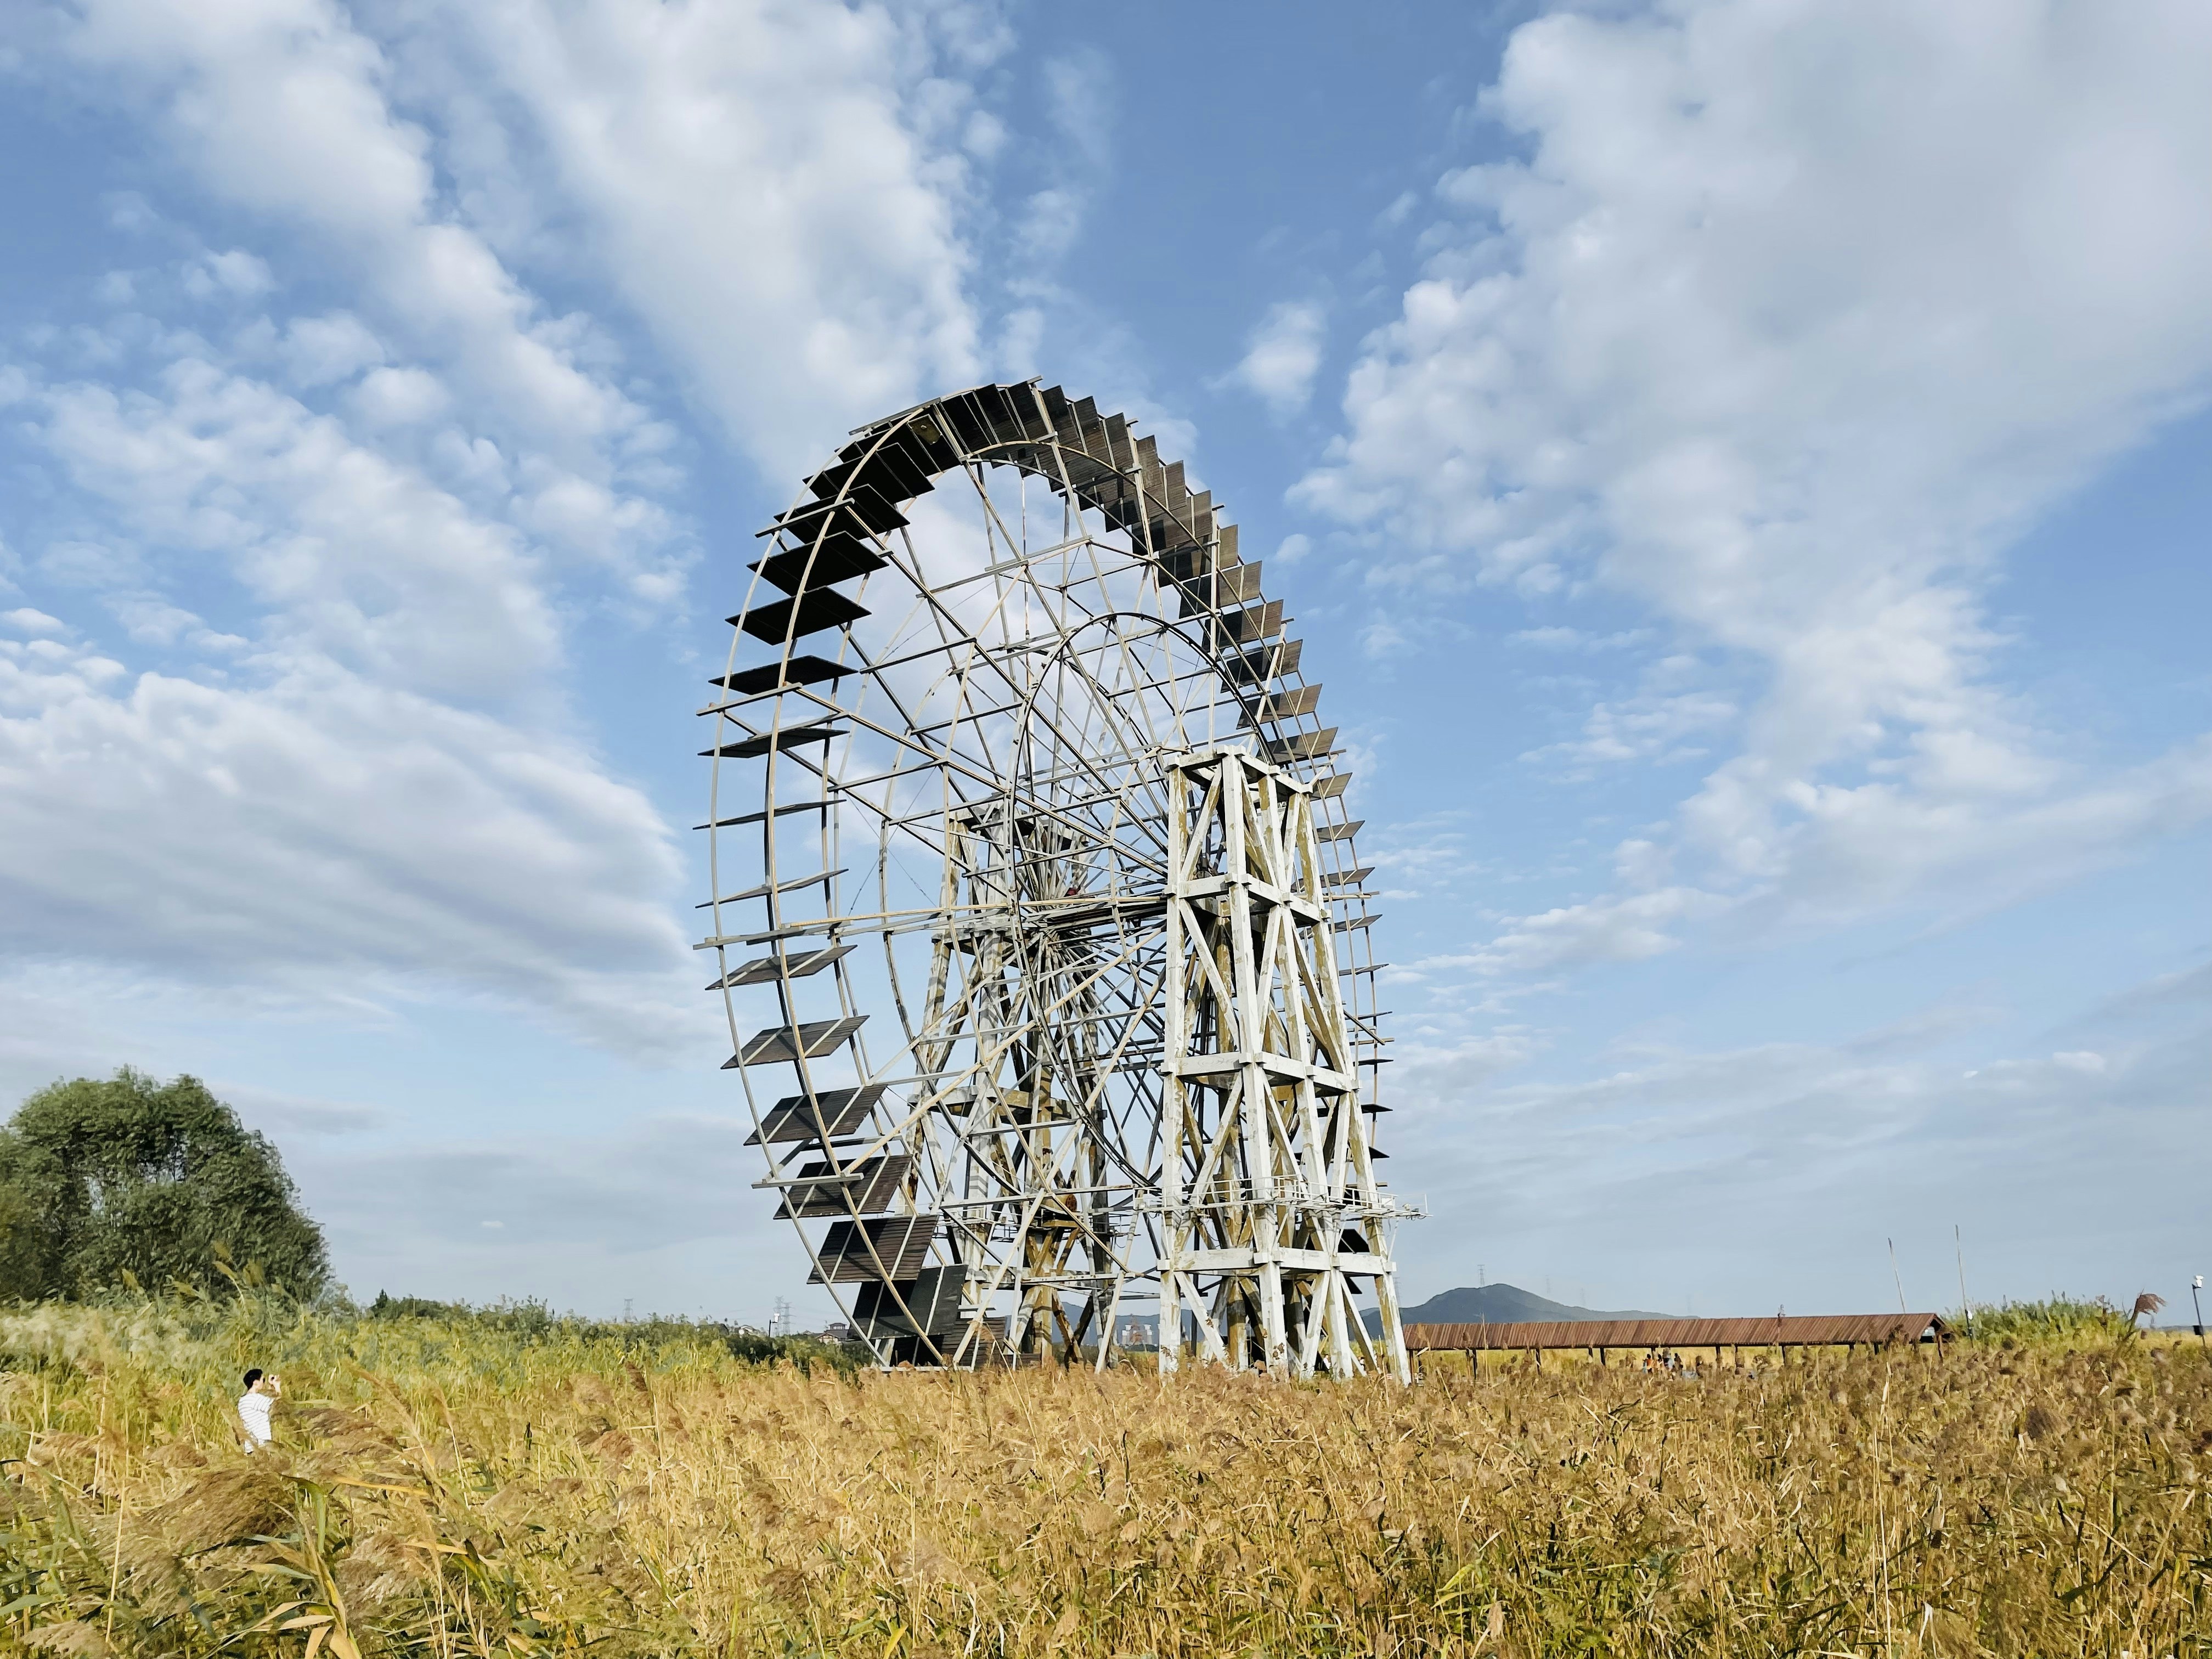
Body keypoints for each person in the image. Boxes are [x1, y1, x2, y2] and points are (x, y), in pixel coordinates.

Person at [238, 1367, 280, 1451]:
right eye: (263, 1380)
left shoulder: (243, 1400)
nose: (264, 1383)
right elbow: (278, 1404)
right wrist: (277, 1386)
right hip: (262, 1446)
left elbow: (268, 1401)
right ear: (256, 1383)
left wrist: (271, 1387)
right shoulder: (255, 1398)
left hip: (251, 1447)